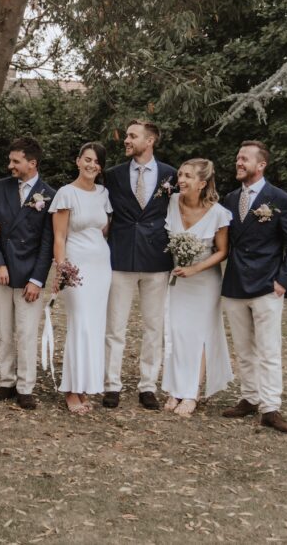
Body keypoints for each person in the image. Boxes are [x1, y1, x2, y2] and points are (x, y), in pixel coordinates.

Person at [220, 141, 287, 433]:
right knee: (243, 349)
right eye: (237, 158)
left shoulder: (279, 199)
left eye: (244, 159)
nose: (238, 163)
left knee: (268, 350)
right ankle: (249, 397)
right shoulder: (229, 199)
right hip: (234, 285)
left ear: (261, 164)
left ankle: (271, 408)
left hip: (268, 285)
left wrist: (283, 280)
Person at [103, 120, 177, 410]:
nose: (127, 140)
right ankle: (111, 385)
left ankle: (148, 386)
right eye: (127, 136)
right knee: (115, 327)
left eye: (133, 136)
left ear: (150, 141)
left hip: (157, 259)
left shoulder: (171, 174)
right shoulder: (112, 175)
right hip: (120, 258)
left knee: (153, 326)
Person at [0, 137, 56, 410]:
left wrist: (37, 279)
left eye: (16, 161)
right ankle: (6, 381)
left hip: (29, 276)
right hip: (0, 273)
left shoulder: (49, 194)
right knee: (3, 330)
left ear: (32, 163)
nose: (10, 165)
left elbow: (48, 242)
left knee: (26, 333)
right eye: (10, 160)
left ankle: (26, 387)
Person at [160, 158, 233, 417]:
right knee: (177, 332)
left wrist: (195, 268)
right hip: (178, 282)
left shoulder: (218, 213)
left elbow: (223, 251)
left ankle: (191, 393)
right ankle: (175, 389)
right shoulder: (170, 203)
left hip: (204, 282)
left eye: (188, 176)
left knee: (200, 336)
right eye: (180, 174)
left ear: (202, 183)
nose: (181, 179)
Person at [49, 142, 113, 414]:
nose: (91, 165)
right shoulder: (66, 193)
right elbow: (59, 237)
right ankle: (71, 389)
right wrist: (62, 269)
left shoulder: (103, 193)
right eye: (87, 159)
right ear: (77, 161)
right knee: (81, 325)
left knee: (95, 327)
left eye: (96, 162)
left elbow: (104, 228)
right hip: (76, 267)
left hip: (101, 265)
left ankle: (85, 385)